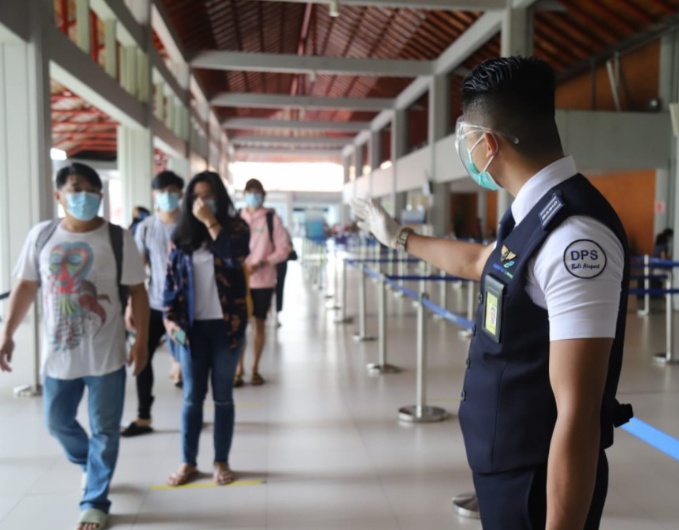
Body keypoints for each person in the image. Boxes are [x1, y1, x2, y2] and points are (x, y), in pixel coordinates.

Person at [353, 57, 631, 530]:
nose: (467, 151)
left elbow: (578, 415)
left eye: (466, 139)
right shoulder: (534, 213)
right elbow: (482, 263)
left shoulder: (574, 238)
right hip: (506, 460)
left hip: (537, 479)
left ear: (489, 143)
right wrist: (398, 236)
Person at [0, 162, 148, 530]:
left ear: (100, 195)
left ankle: (95, 500)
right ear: (58, 195)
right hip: (58, 358)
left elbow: (138, 293)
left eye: (89, 190)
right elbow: (26, 287)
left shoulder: (118, 238)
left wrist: (143, 340)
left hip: (106, 355)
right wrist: (7, 333)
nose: (81, 196)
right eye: (74, 188)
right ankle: (89, 464)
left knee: (105, 430)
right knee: (57, 422)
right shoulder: (42, 235)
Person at [162, 171, 250, 487]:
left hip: (227, 327)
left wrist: (212, 222)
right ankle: (188, 462)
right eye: (196, 196)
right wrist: (169, 320)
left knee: (223, 397)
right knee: (192, 398)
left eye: (208, 195)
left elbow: (233, 257)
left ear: (219, 197)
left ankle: (221, 460)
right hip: (191, 329)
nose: (202, 201)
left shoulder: (236, 228)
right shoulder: (180, 236)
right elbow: (170, 283)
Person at [121, 171, 185, 437]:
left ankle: (192, 413)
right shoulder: (146, 227)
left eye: (172, 191)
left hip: (185, 308)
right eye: (162, 191)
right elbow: (137, 271)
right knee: (142, 355)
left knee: (190, 361)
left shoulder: (191, 226)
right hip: (155, 304)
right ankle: (143, 416)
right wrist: (130, 307)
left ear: (181, 194)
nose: (167, 196)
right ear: (154, 195)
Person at [236, 179, 290, 386]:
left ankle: (255, 368)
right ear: (245, 194)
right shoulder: (237, 218)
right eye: (250, 192)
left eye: (257, 193)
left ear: (263, 196)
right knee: (238, 326)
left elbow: (284, 249)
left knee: (259, 324)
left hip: (263, 281)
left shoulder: (271, 219)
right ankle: (238, 369)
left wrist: (263, 263)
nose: (254, 196)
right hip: (239, 280)